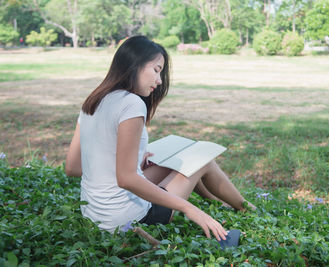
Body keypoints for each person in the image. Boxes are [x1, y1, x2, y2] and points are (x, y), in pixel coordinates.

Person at [65, 35, 255, 241]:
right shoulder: (131, 104)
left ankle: (219, 201)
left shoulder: (93, 101)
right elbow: (126, 178)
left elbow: (73, 168)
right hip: (129, 218)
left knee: (174, 161)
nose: (159, 80)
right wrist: (189, 209)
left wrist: (132, 160)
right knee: (203, 160)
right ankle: (247, 208)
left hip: (94, 215)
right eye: (156, 70)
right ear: (134, 64)